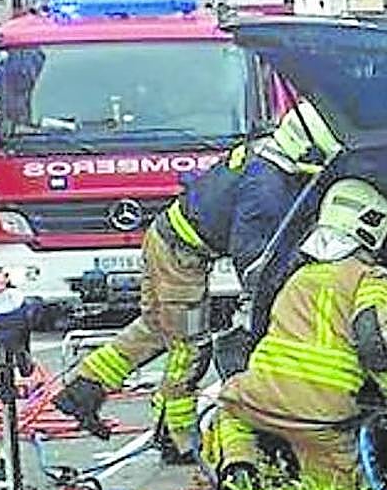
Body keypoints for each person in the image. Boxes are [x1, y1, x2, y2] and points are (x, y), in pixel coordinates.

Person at [55, 107, 339, 463]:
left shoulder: (266, 153)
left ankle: (83, 388)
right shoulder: (267, 187)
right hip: (180, 255)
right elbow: (254, 261)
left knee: (158, 330)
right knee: (190, 348)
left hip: (168, 241)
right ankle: (178, 439)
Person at [203, 179, 387, 490]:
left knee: (229, 411)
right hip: (322, 414)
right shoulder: (370, 276)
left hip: (261, 397)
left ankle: (240, 471)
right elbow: (374, 340)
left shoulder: (298, 277)